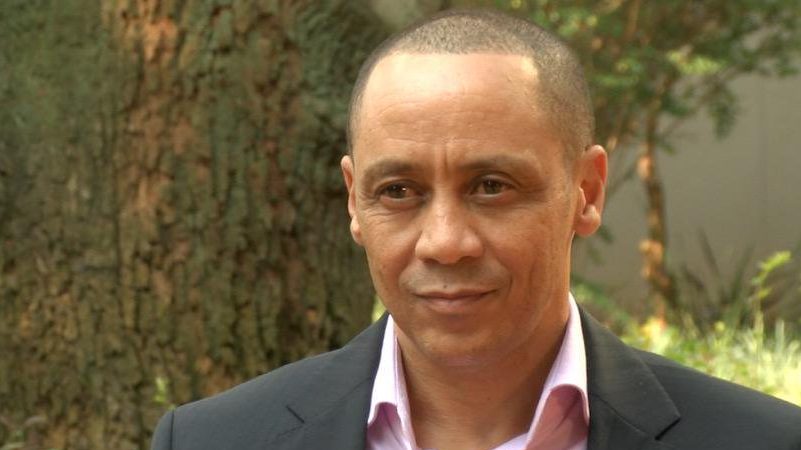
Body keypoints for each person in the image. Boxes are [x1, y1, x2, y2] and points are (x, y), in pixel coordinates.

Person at [150, 9, 801, 450]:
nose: (444, 242)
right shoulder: (213, 441)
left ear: (587, 191)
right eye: (398, 191)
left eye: (491, 186)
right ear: (353, 201)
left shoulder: (762, 441)